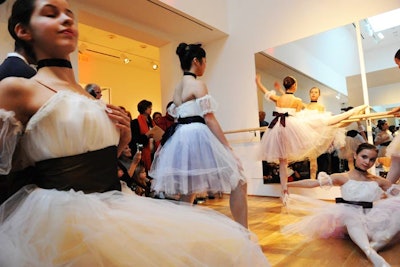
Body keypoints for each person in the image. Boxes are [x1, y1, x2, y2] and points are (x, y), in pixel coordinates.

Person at [0, 1, 269, 266]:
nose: (67, 19)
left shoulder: (87, 95)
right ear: (23, 30)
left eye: (69, 13)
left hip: (113, 206)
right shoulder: (18, 89)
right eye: (50, 14)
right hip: (57, 220)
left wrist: (123, 141)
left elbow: (92, 160)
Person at [149, 42, 249, 228]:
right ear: (196, 61)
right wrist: (228, 148)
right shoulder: (197, 84)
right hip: (196, 134)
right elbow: (210, 119)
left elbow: (174, 114)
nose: (205, 65)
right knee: (239, 179)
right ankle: (244, 232)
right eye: (204, 61)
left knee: (188, 191)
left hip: (180, 137)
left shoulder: (177, 88)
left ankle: (182, 233)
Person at [255, 74, 367, 204]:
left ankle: (284, 191)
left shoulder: (278, 99)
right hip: (290, 126)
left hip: (276, 129)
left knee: (282, 162)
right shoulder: (296, 100)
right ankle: (354, 111)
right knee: (328, 122)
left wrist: (258, 82)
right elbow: (298, 115)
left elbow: (267, 93)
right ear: (294, 86)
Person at [284, 143, 400, 267]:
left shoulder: (377, 180)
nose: (367, 162)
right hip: (348, 213)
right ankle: (370, 252)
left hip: (371, 216)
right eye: (364, 157)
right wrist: (286, 185)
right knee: (351, 218)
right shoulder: (343, 177)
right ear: (355, 155)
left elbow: (396, 192)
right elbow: (313, 183)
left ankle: (379, 242)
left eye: (372, 159)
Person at [129, 99, 162, 171]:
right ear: (144, 109)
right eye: (149, 107)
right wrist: (146, 136)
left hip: (154, 151)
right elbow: (135, 140)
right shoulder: (135, 122)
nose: (151, 109)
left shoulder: (152, 122)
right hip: (143, 153)